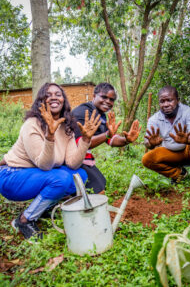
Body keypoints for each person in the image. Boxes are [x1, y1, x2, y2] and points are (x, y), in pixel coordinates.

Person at [0, 83, 101, 240]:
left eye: (58, 94)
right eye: (48, 95)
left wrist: (86, 139)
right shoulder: (32, 124)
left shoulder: (65, 127)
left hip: (35, 175)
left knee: (80, 174)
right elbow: (44, 164)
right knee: (61, 178)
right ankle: (24, 220)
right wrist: (50, 135)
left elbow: (72, 163)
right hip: (11, 176)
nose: (53, 97)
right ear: (41, 101)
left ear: (63, 100)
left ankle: (45, 207)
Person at [71, 82, 141, 194]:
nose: (108, 101)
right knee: (99, 192)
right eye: (104, 97)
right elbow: (82, 144)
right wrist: (107, 134)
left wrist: (126, 140)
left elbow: (111, 140)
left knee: (102, 183)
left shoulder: (101, 115)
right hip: (71, 159)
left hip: (82, 158)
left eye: (111, 99)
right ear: (94, 96)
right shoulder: (82, 112)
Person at [142, 85, 190, 193]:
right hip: (172, 153)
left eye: (169, 100)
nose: (166, 104)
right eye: (162, 101)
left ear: (177, 100)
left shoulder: (188, 112)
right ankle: (179, 173)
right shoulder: (154, 119)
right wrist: (150, 144)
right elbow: (147, 142)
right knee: (147, 159)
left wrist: (187, 140)